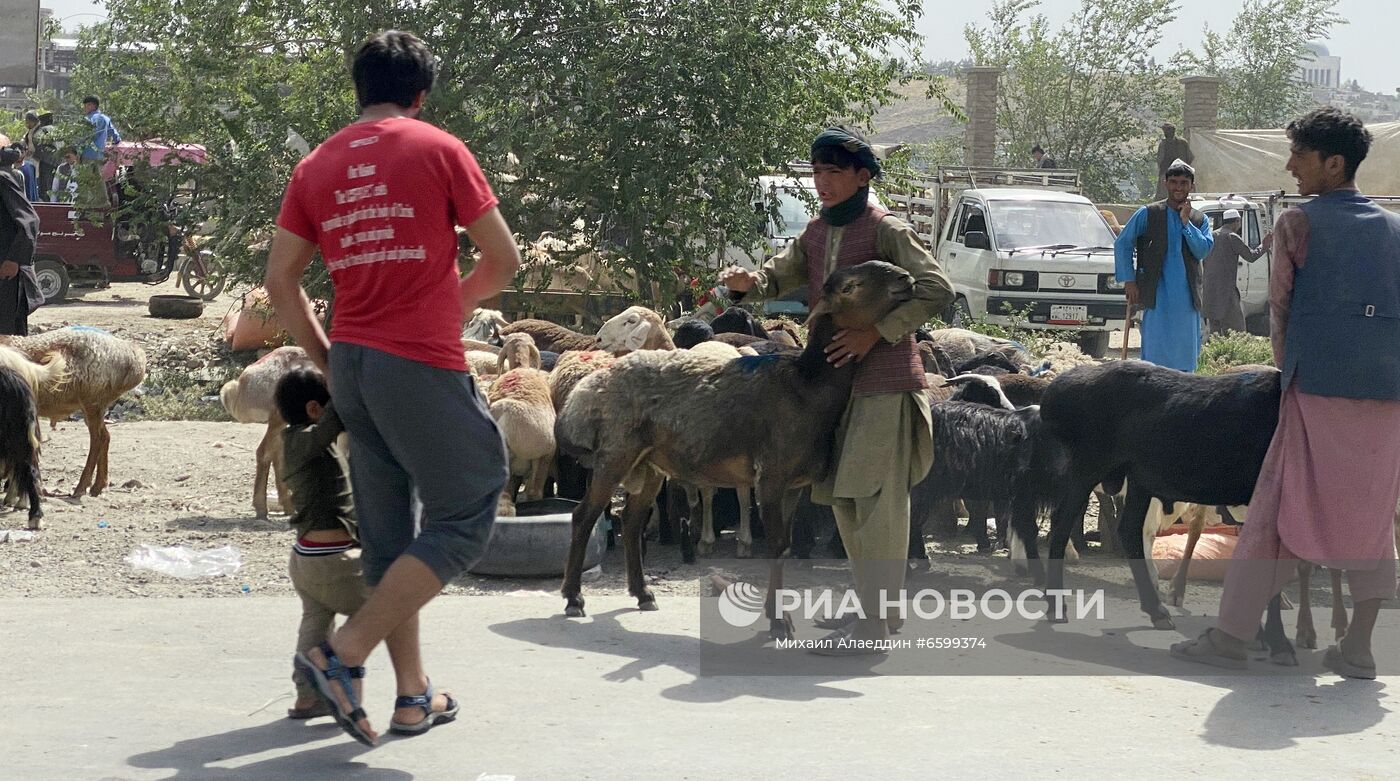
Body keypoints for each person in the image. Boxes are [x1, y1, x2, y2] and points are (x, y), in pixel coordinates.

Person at [264, 29, 519, 745]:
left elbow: (280, 281)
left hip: (354, 366)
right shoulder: (438, 148)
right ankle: (342, 655)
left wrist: (327, 352)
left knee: (388, 540)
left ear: (359, 90)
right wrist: (451, 305)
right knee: (469, 506)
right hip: (419, 358)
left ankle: (413, 695)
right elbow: (504, 261)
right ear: (420, 94)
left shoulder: (316, 163)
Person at [1171, 108, 1400, 679]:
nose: (1290, 165)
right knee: (1372, 517)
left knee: (1275, 508)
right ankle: (1357, 649)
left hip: (1315, 390)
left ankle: (1230, 637)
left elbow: (1280, 315)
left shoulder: (1298, 225)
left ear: (1334, 163)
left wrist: (1289, 375)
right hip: (1387, 396)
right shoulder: (1396, 230)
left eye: (1299, 155)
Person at [718, 126, 953, 655]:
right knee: (846, 500)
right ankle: (876, 615)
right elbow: (781, 275)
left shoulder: (886, 229)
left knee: (878, 504)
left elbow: (938, 288)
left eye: (834, 172)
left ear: (862, 176)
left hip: (886, 384)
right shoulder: (820, 230)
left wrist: (878, 332)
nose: (822, 182)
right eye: (817, 172)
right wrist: (749, 283)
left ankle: (878, 622)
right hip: (831, 388)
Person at [274, 367, 368, 721]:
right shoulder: (304, 439)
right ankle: (333, 664)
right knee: (387, 605)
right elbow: (335, 421)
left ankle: (307, 697)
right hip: (333, 561)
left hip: (307, 561)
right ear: (315, 409)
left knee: (314, 625)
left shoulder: (294, 438)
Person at [1113, 159, 1214, 371]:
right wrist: (1129, 280)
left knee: (1186, 357)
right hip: (1156, 295)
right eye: (1174, 182)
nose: (1178, 187)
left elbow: (1202, 250)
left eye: (1184, 183)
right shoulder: (1148, 213)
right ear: (1165, 183)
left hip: (1187, 299)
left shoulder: (1199, 219)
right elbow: (1122, 243)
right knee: (1154, 360)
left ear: (1191, 186)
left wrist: (1186, 223)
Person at [1200, 208, 1272, 336]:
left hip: (1209, 293)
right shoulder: (1232, 237)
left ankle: (1217, 356)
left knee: (1215, 334)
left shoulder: (1211, 235)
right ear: (1237, 221)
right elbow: (1251, 256)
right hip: (1226, 294)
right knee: (1237, 332)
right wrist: (1264, 245)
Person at [0, 145, 45, 334]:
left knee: (8, 340)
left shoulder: (2, 179)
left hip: (5, 272)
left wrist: (14, 259)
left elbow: (30, 220)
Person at [1155, 123, 1193, 200]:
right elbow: (1160, 160)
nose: (1166, 132)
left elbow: (1190, 157)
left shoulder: (1182, 143)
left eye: (1168, 130)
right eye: (1165, 130)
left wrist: (1183, 168)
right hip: (1166, 173)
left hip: (1181, 174)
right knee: (1164, 197)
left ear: (1173, 131)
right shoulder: (1163, 144)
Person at [80, 96, 121, 162]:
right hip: (99, 156)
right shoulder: (106, 118)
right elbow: (115, 136)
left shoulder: (87, 120)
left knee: (85, 172)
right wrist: (117, 142)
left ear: (92, 105)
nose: (84, 108)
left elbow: (83, 137)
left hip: (86, 154)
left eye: (85, 106)